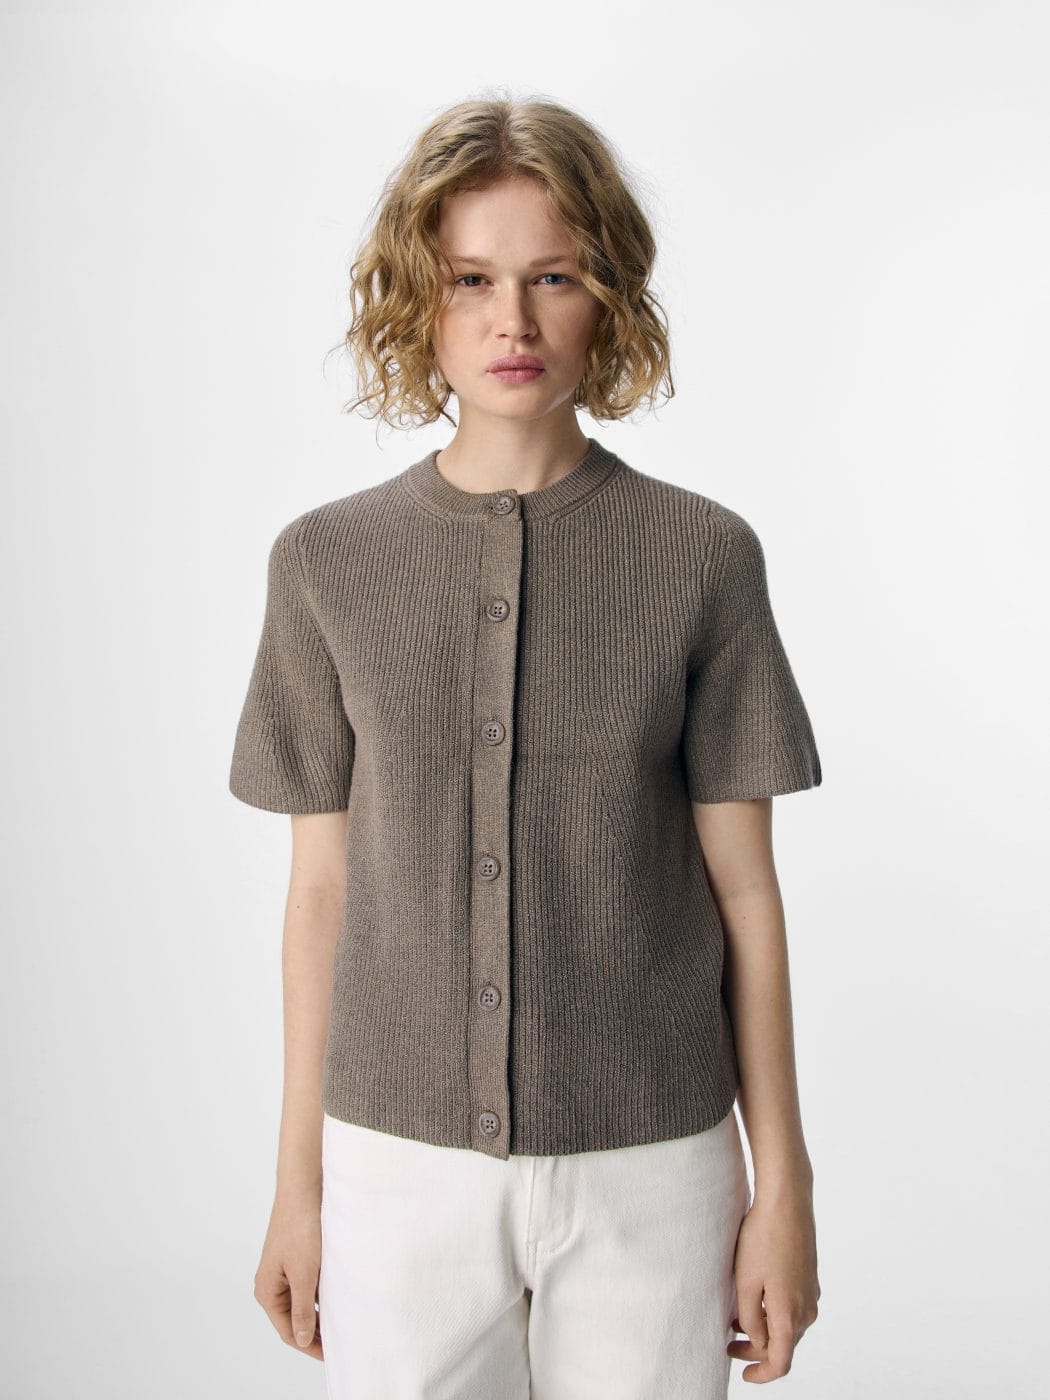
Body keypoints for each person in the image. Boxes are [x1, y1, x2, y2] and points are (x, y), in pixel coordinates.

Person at [229, 93, 823, 1399]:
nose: (512, 320)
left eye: (553, 276)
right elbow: (320, 893)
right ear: (416, 299)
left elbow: (746, 894)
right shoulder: (326, 563)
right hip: (395, 1166)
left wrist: (781, 1187)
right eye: (470, 280)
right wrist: (297, 1186)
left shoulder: (700, 557)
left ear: (606, 295)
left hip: (654, 1164)